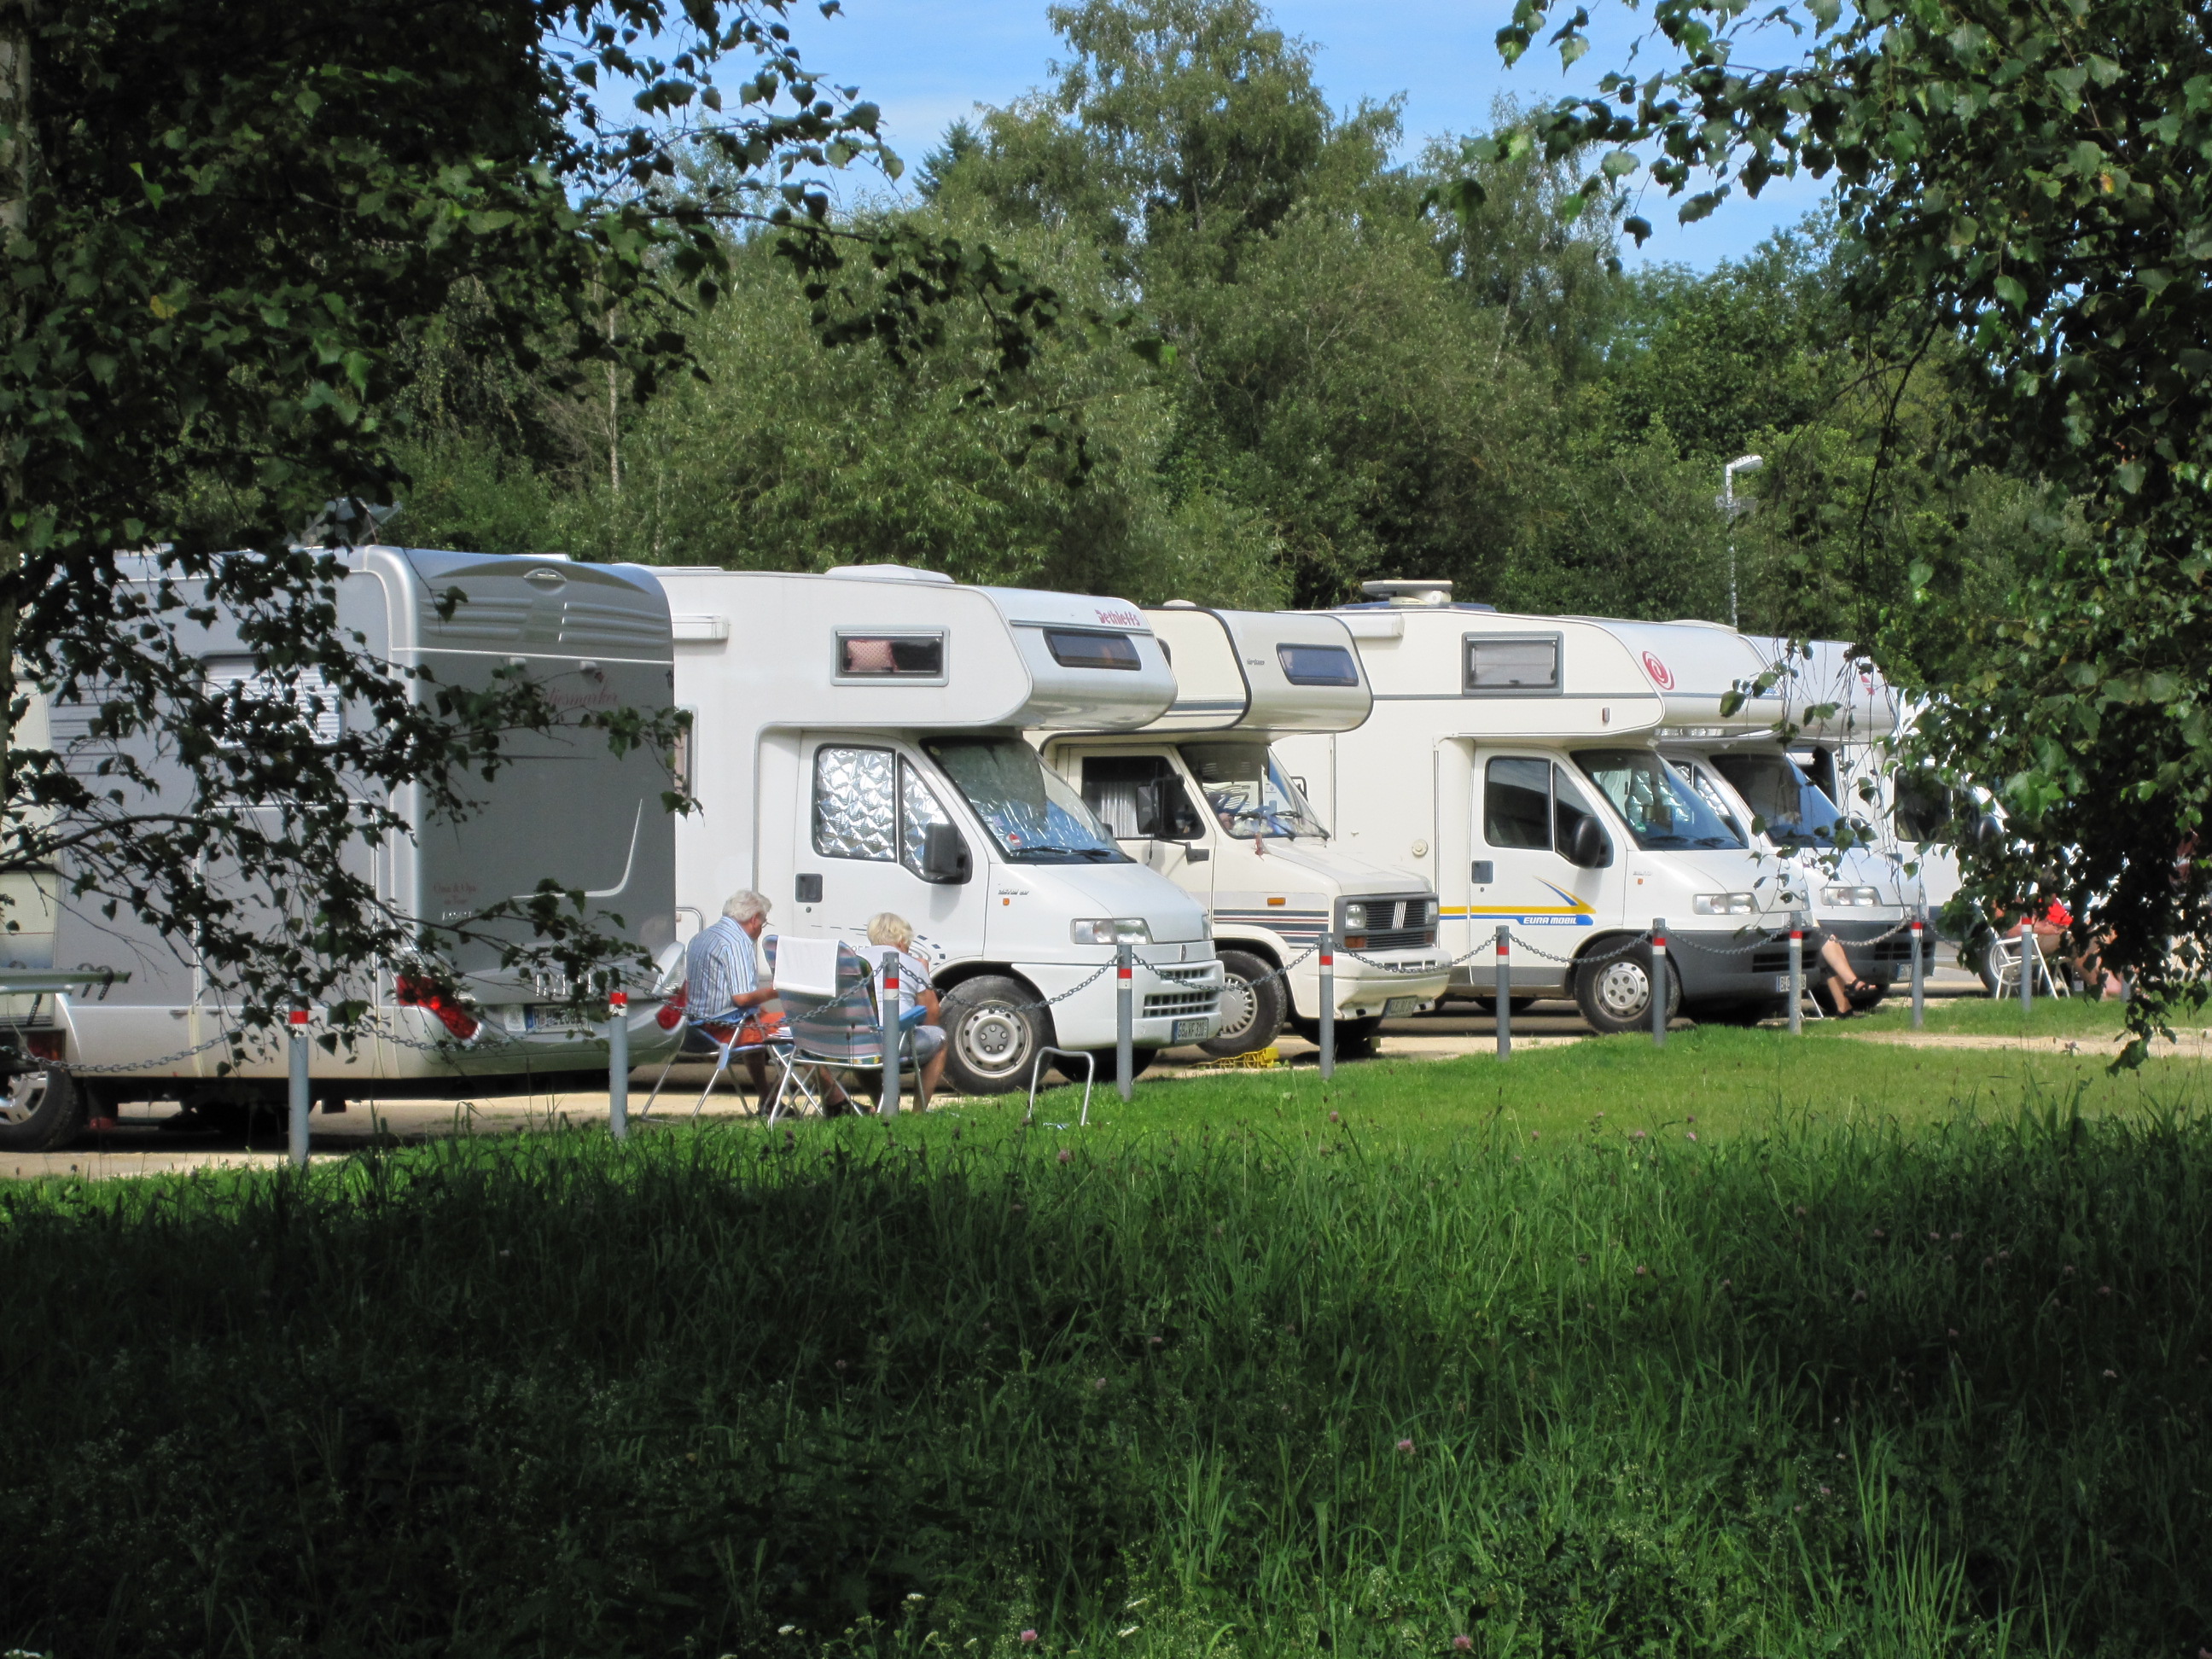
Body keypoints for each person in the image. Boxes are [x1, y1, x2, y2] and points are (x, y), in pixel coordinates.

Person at [684, 889, 782, 1097]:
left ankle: (768, 1098)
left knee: (758, 1019)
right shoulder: (738, 942)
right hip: (722, 1030)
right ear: (754, 920)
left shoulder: (700, 937)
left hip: (694, 1030)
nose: (760, 929)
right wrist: (777, 991)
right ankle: (835, 1100)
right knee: (802, 1027)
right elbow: (742, 998)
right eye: (763, 924)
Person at [865, 911, 947, 1102]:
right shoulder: (913, 964)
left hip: (853, 1044)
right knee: (940, 1040)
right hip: (894, 1043)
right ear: (902, 940)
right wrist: (924, 975)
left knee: (864, 1047)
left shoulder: (854, 960)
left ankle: (880, 1102)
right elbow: (931, 1016)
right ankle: (918, 1112)